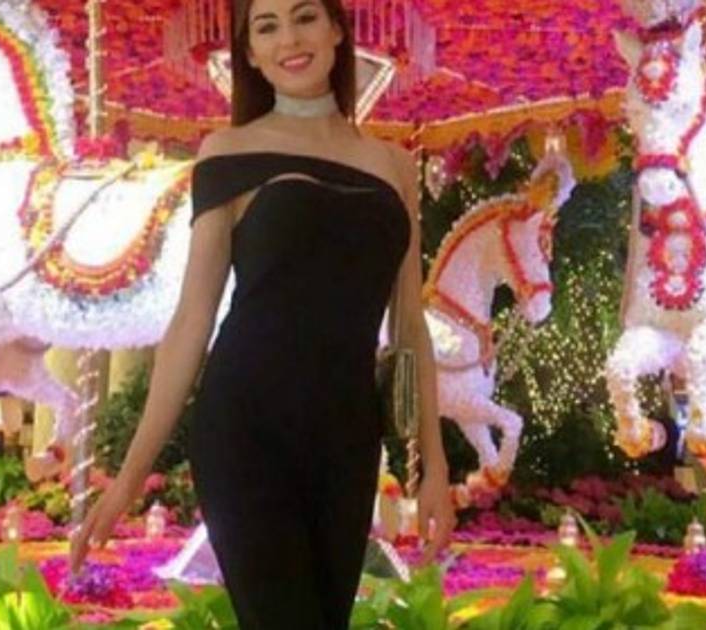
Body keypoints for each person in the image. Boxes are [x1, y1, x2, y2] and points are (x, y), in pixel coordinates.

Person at [69, 0, 456, 627]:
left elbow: (409, 326)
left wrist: (433, 466)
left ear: (336, 29)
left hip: (347, 437)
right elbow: (190, 323)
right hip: (246, 428)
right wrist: (128, 478)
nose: (288, 41)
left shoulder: (393, 165)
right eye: (266, 27)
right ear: (248, 52)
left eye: (304, 18)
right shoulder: (226, 153)